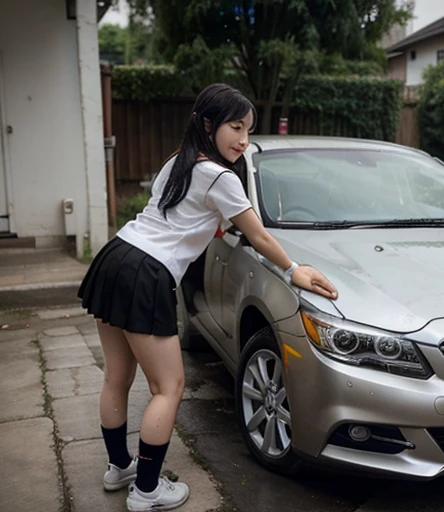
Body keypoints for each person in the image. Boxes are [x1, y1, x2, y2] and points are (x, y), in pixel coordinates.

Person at [78, 83, 338, 512]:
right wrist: (295, 270)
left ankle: (120, 468)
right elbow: (257, 235)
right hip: (146, 271)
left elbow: (178, 214)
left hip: (116, 255)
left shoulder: (176, 163)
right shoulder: (220, 176)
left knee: (116, 377)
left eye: (248, 130)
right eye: (235, 127)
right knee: (169, 387)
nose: (243, 140)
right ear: (207, 124)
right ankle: (146, 491)